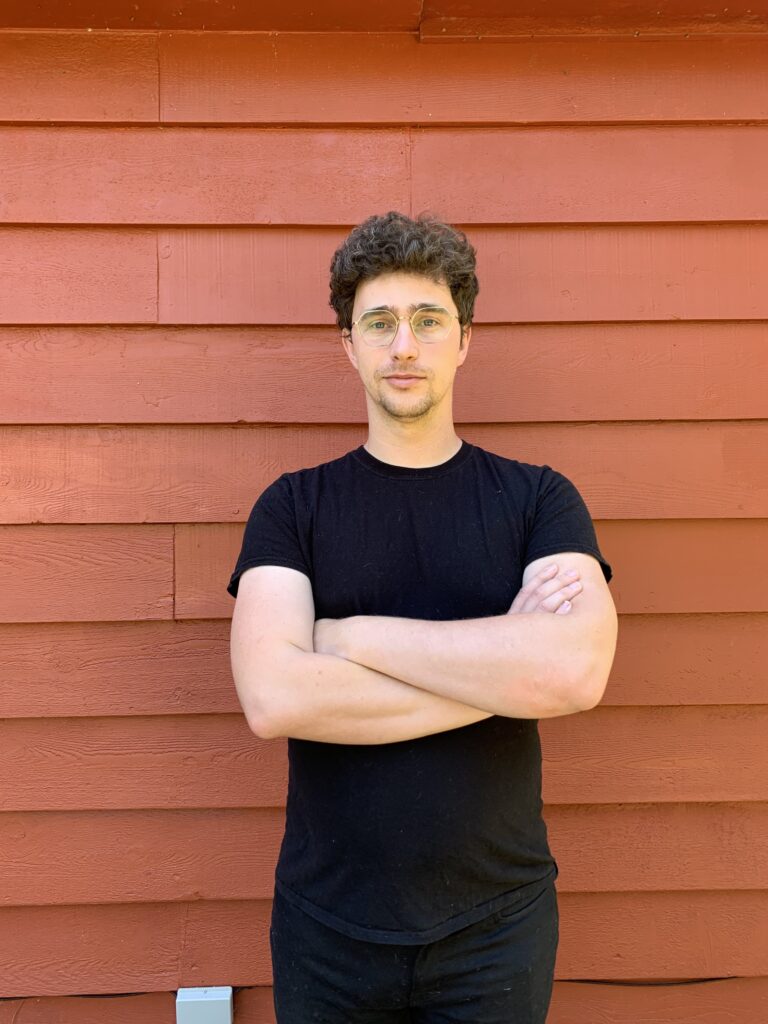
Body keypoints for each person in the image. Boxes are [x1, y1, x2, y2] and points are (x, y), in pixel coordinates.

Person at [227, 211, 618, 1023]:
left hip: (496, 928)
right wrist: (507, 670)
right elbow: (275, 698)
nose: (404, 345)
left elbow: (575, 671)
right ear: (350, 345)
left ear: (464, 339)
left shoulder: (539, 500)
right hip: (327, 930)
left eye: (428, 320)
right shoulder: (292, 509)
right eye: (380, 323)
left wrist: (350, 638)